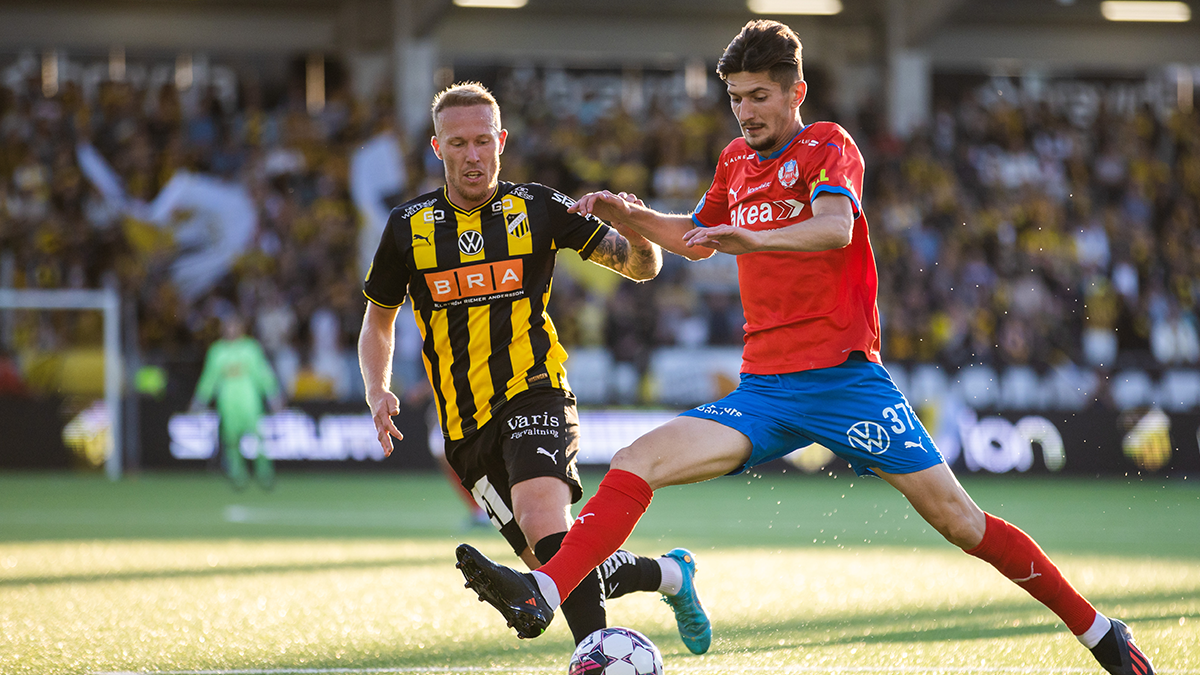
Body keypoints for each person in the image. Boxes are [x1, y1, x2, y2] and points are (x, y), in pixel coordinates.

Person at [453, 21, 1155, 675]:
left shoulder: (828, 145)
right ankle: (544, 589)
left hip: (847, 384)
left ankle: (1099, 631)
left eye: (759, 96)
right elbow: (695, 237)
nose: (746, 112)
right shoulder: (734, 160)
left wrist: (751, 238)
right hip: (763, 392)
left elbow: (834, 228)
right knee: (636, 460)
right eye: (736, 98)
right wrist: (629, 214)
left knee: (961, 522)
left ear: (796, 92)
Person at [358, 82, 713, 653]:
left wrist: (634, 227)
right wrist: (378, 390)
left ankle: (599, 656)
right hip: (464, 427)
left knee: (544, 523)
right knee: (554, 566)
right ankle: (672, 574)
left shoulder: (539, 207)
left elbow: (642, 268)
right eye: (458, 144)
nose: (472, 155)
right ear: (437, 147)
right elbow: (379, 320)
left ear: (501, 141)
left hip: (534, 391)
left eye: (482, 141)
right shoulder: (408, 227)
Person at [191, 314, 284, 490]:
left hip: (249, 400)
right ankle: (237, 475)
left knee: (258, 437)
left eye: (234, 327)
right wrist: (200, 400)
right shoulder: (217, 351)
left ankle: (264, 473)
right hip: (227, 401)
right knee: (231, 440)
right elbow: (209, 378)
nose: (231, 331)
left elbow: (263, 373)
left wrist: (273, 395)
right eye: (228, 327)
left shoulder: (251, 349)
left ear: (241, 329)